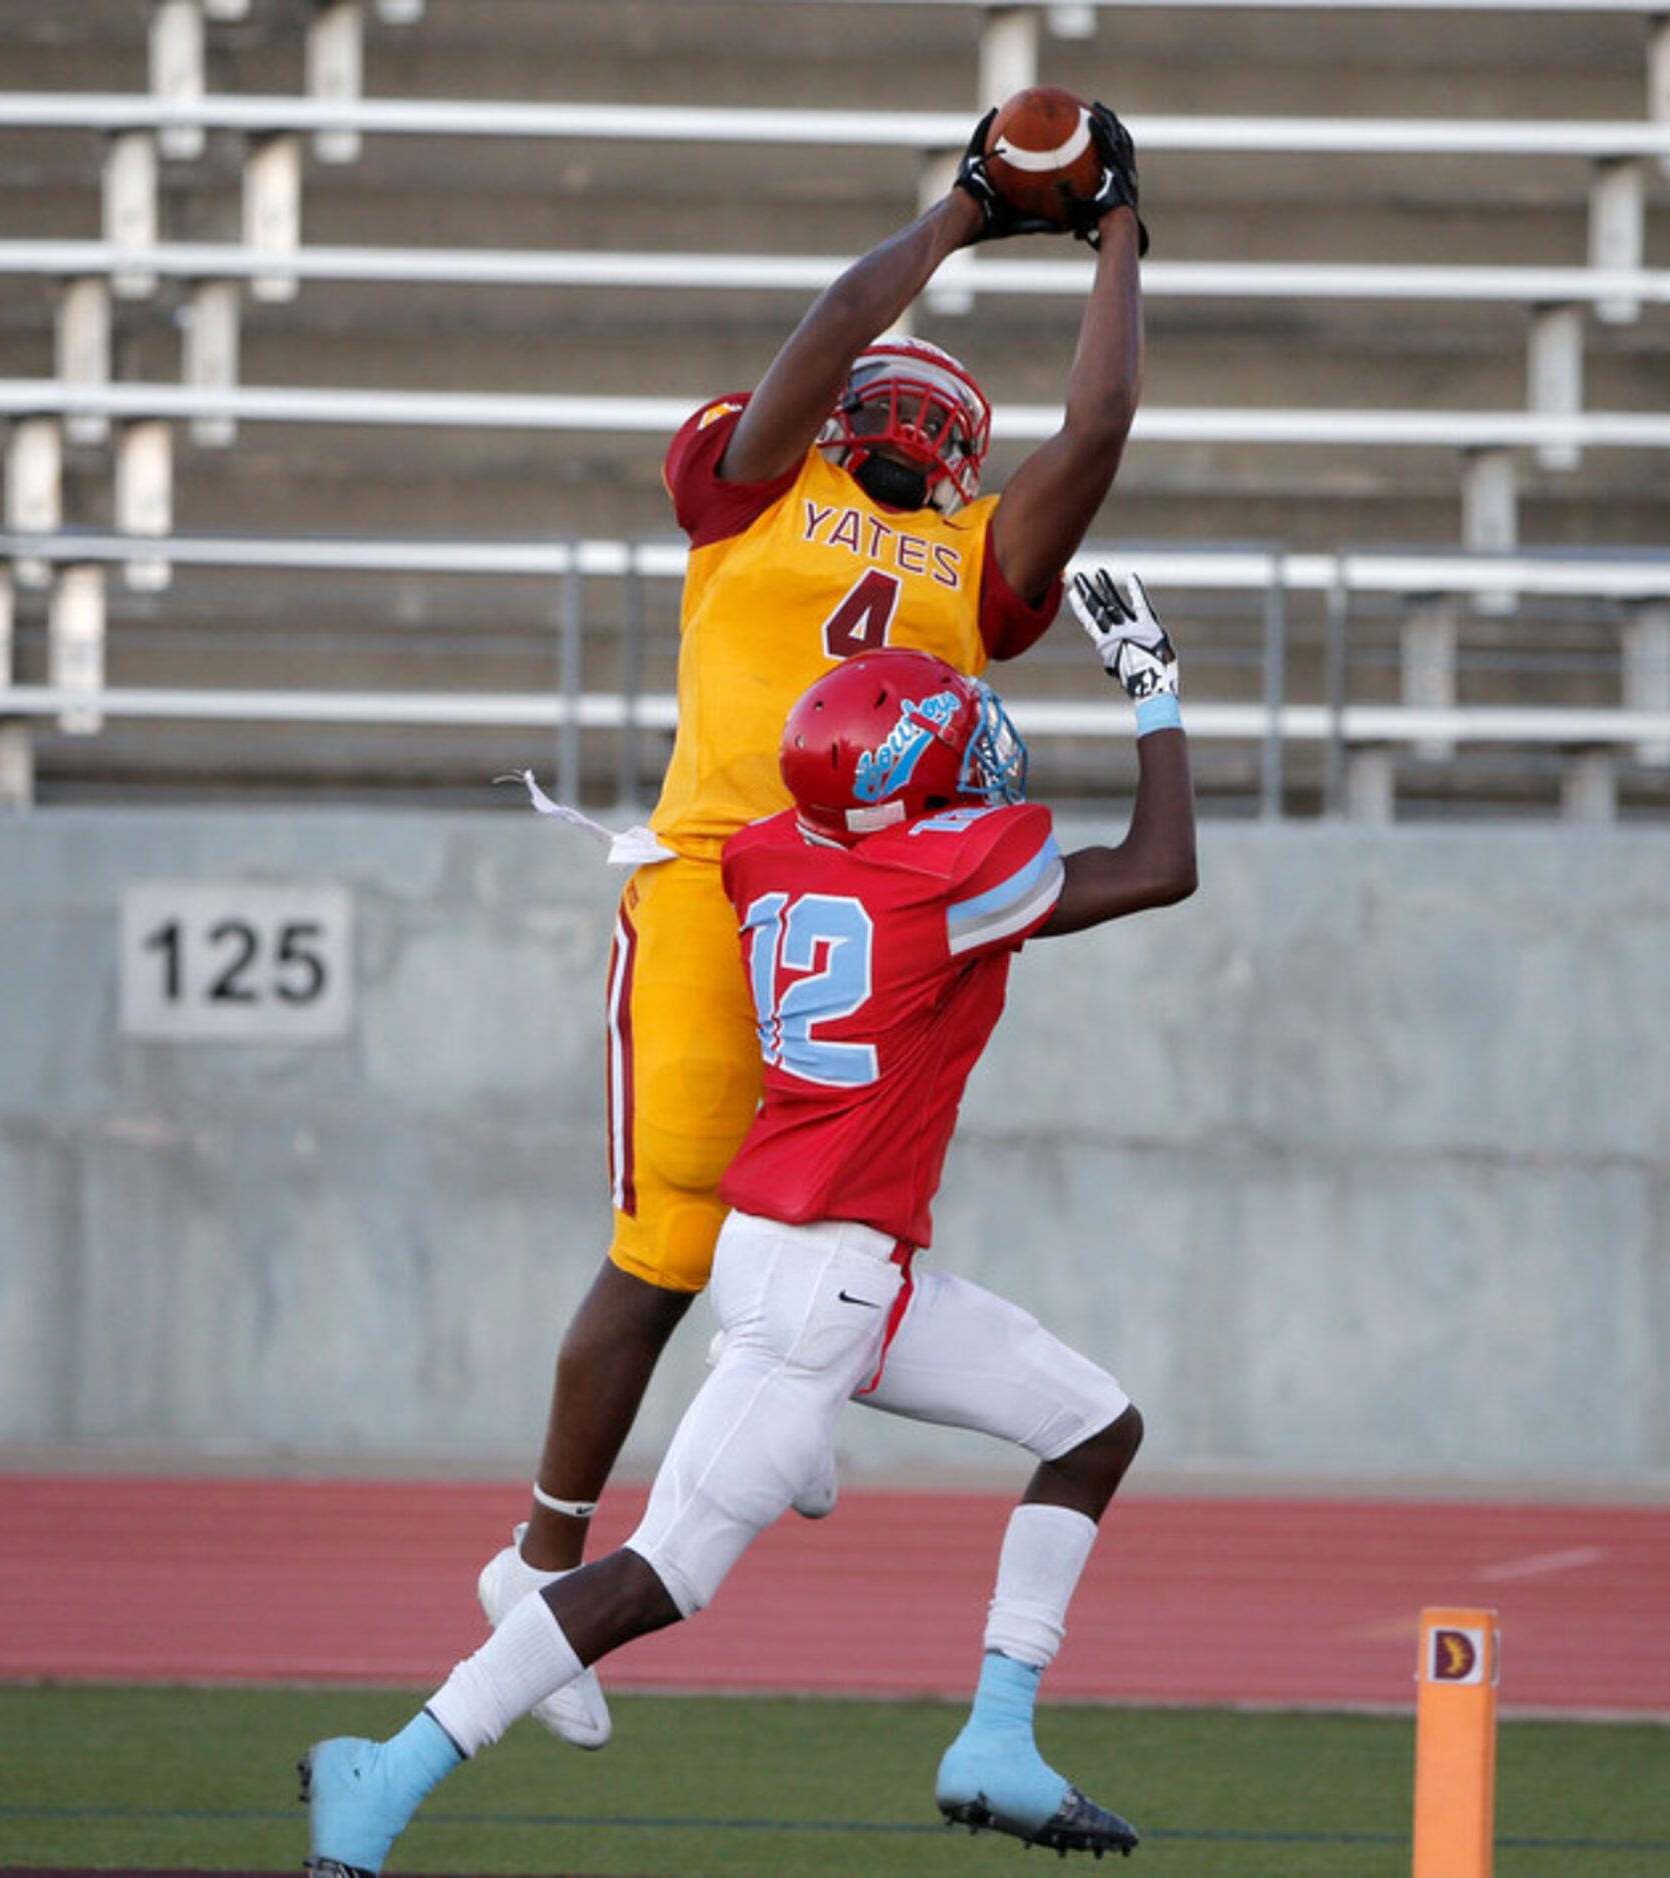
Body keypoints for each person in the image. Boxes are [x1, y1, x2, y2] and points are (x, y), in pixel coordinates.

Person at [304, 573, 1196, 1873]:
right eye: (952, 751)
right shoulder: (936, 879)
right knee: (658, 1573)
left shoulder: (771, 850)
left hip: (821, 1266)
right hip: (816, 1288)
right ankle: (390, 1772)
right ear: (907, 790)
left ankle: (998, 1737)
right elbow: (1160, 865)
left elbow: (838, 804)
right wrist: (1153, 691)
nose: (979, 762)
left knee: (1094, 1423)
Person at [475, 106, 1148, 1754]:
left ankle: (761, 1417)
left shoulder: (875, 523)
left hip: (853, 907)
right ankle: (537, 1559)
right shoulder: (786, 493)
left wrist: (1043, 222)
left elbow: (1081, 413)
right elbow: (1033, 394)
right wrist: (1032, 221)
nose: (912, 410)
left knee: (821, 1211)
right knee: (667, 1240)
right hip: (721, 885)